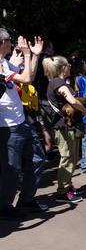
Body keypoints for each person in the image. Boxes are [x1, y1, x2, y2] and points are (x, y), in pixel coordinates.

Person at [0, 31, 46, 219]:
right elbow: (26, 79)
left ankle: (26, 199)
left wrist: (34, 55)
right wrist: (27, 55)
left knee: (38, 158)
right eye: (10, 41)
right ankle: (4, 207)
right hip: (7, 126)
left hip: (21, 121)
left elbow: (29, 75)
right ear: (3, 42)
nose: (13, 44)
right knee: (11, 169)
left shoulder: (5, 62)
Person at [44, 56, 86, 204]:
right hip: (63, 127)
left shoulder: (59, 82)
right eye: (68, 65)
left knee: (73, 157)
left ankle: (67, 186)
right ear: (63, 68)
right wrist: (85, 110)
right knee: (67, 158)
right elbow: (72, 100)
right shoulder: (58, 83)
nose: (70, 67)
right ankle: (62, 192)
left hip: (69, 126)